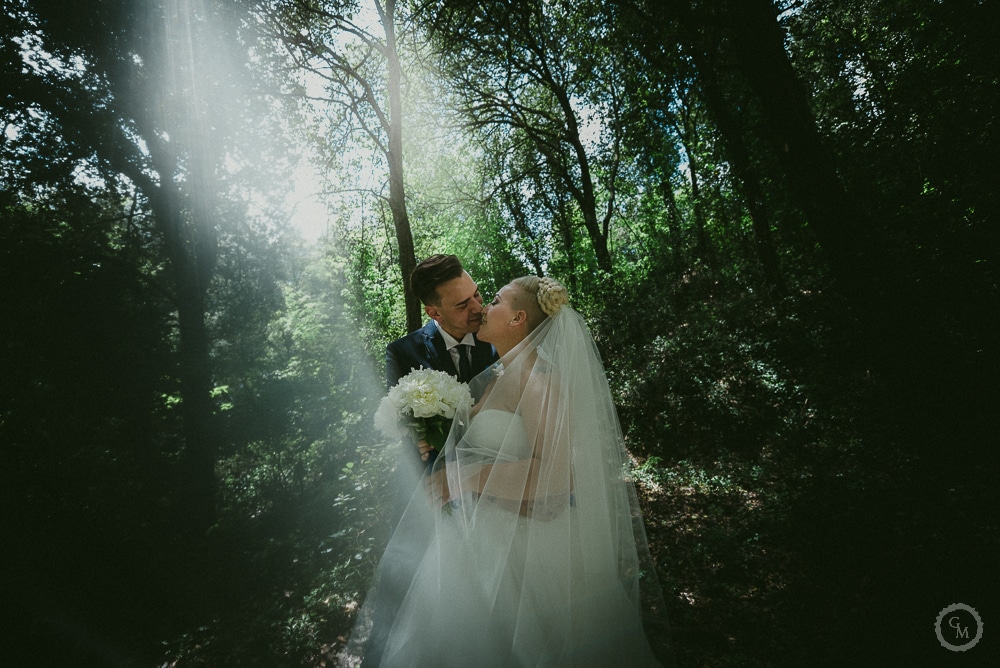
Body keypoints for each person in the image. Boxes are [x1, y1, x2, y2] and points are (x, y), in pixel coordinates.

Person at [348, 276, 670, 667]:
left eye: (495, 300)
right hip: (478, 537)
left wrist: (465, 480)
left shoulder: (538, 381)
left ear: (518, 318)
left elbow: (556, 475)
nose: (484, 307)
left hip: (523, 548)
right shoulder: (501, 375)